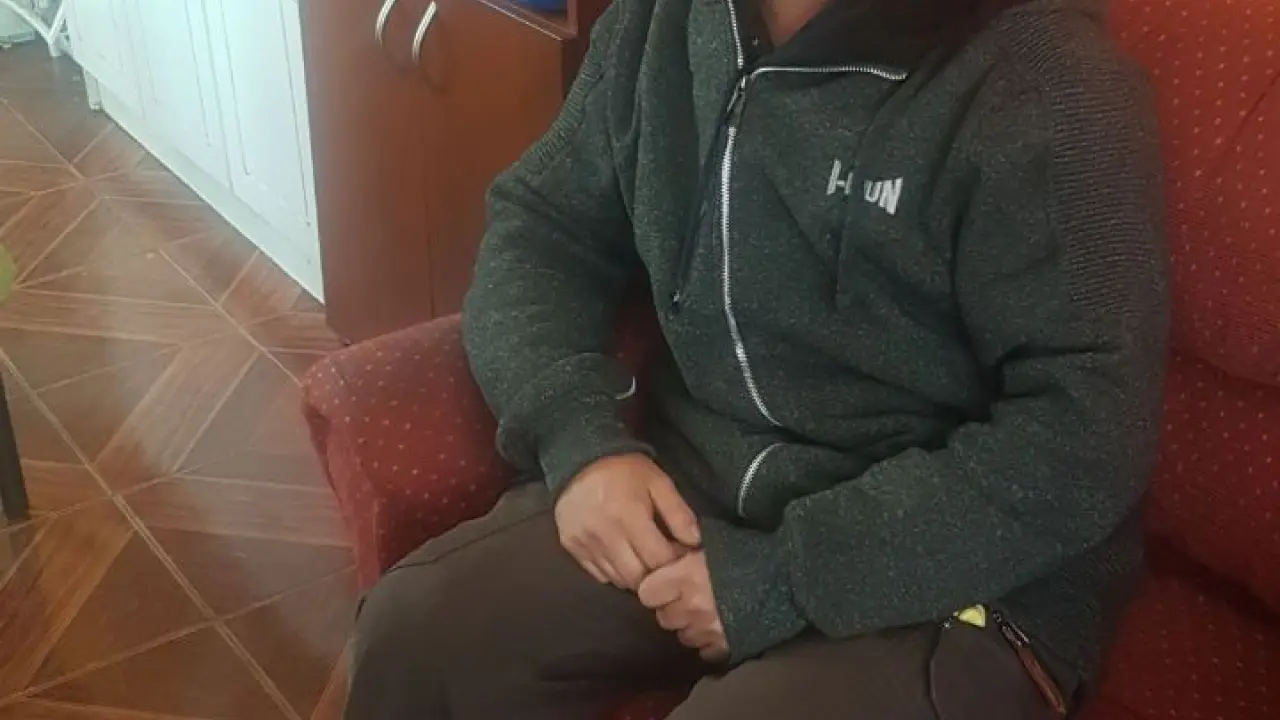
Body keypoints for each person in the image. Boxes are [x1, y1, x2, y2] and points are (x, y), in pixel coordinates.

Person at [344, 0, 1169, 717]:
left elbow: (1086, 434)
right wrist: (579, 441)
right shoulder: (661, 21)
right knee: (420, 632)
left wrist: (786, 577)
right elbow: (542, 229)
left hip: (956, 575)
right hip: (702, 492)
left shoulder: (1048, 84)